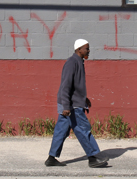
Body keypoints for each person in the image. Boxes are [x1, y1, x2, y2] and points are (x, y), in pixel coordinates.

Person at [45, 39, 108, 168]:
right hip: (71, 106)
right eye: (86, 48)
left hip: (70, 103)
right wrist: (66, 106)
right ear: (79, 49)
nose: (88, 51)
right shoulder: (72, 62)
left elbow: (75, 87)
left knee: (61, 132)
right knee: (83, 129)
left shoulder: (78, 62)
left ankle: (51, 158)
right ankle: (93, 158)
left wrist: (84, 98)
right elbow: (65, 86)